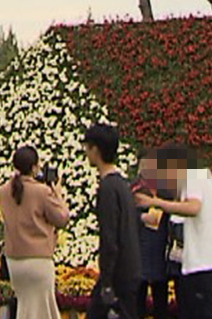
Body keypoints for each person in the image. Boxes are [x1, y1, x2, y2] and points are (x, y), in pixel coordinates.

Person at [134, 143, 212, 319]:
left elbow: (193, 207)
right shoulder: (207, 179)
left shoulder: (193, 176)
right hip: (209, 268)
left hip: (201, 270)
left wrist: (155, 203)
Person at [0, 145, 70, 319]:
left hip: (14, 262)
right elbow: (62, 218)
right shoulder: (42, 192)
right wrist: (58, 195)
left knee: (26, 309)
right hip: (38, 261)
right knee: (44, 311)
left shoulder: (4, 191)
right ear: (33, 168)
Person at [82, 123, 140, 319]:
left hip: (117, 276)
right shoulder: (123, 184)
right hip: (130, 270)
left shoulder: (107, 188)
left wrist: (106, 282)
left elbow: (109, 237)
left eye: (88, 147)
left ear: (96, 149)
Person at [134, 153, 177, 319]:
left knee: (160, 303)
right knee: (137, 303)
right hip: (139, 253)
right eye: (144, 167)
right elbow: (123, 216)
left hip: (159, 254)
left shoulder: (166, 193)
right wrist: (140, 218)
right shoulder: (133, 191)